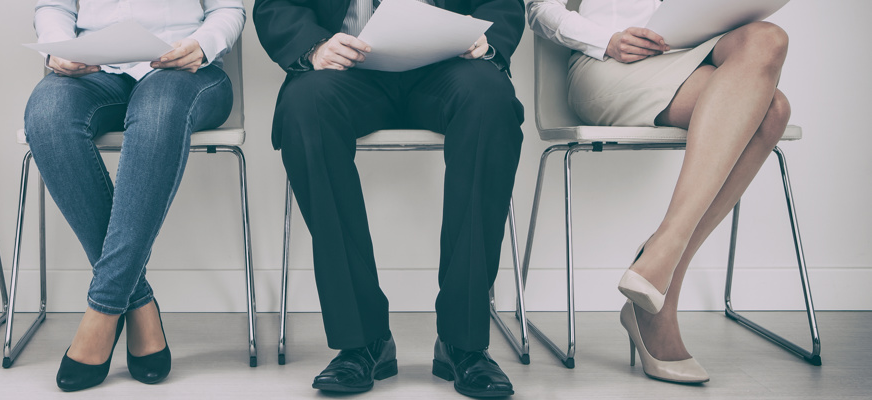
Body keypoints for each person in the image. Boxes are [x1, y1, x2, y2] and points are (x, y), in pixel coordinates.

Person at [255, 0, 525, 397]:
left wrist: (485, 39)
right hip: (347, 68)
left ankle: (463, 342)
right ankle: (362, 341)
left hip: (449, 67)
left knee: (491, 100)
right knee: (304, 105)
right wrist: (314, 48)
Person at [527, 0, 792, 384]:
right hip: (609, 64)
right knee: (772, 111)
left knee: (770, 39)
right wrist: (608, 40)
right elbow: (538, 9)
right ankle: (661, 286)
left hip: (688, 53)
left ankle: (659, 262)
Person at [24, 0, 244, 392]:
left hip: (186, 70)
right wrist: (58, 46)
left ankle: (103, 309)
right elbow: (52, 7)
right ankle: (137, 300)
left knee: (158, 113)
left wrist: (202, 43)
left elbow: (228, 8)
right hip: (95, 70)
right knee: (47, 114)